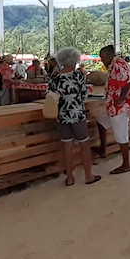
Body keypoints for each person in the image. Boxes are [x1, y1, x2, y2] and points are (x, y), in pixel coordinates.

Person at [48, 47, 101, 187]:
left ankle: (70, 178)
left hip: (62, 115)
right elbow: (84, 94)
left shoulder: (55, 77)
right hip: (77, 114)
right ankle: (88, 175)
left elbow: (49, 94)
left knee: (67, 145)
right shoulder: (77, 75)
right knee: (84, 144)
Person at [96, 45, 130, 174]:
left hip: (119, 105)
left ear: (108, 55)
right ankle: (103, 148)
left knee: (121, 133)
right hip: (112, 104)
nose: (102, 60)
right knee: (100, 119)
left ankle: (126, 164)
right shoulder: (114, 64)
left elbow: (127, 82)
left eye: (102, 58)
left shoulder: (118, 64)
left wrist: (121, 99)